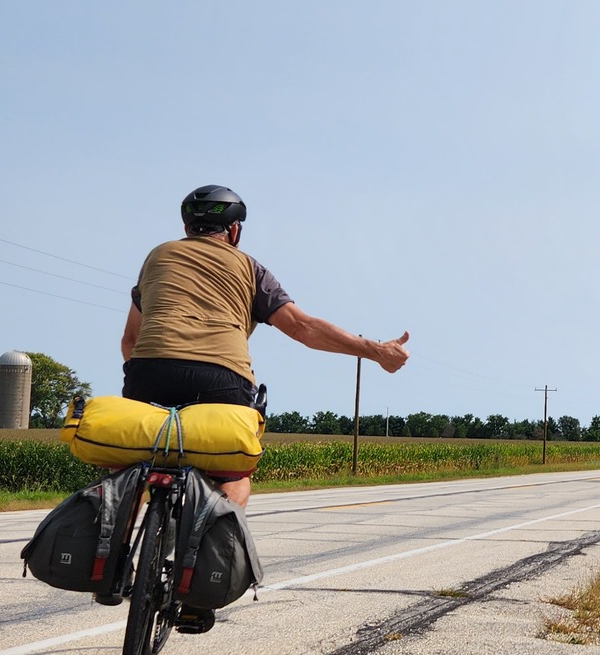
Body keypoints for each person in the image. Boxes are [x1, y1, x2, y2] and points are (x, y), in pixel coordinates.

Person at [120, 184, 410, 517]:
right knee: (235, 478)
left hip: (148, 373)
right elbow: (302, 328)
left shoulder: (157, 257)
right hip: (221, 380)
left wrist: (155, 376)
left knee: (130, 470)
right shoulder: (249, 268)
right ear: (234, 230)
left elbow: (130, 339)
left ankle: (113, 547)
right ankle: (202, 547)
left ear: (186, 229)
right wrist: (375, 351)